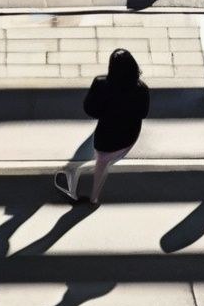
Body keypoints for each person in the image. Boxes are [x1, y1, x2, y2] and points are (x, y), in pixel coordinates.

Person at [54, 49, 150, 205]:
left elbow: (90, 109)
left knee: (101, 163)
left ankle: (92, 197)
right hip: (129, 135)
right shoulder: (142, 88)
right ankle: (94, 195)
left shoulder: (100, 84)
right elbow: (143, 113)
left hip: (106, 138)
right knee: (106, 161)